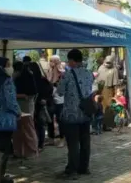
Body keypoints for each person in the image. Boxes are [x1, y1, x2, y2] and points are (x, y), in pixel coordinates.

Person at [57, 49, 94, 180]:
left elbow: (60, 92)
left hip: (71, 114)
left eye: (68, 60)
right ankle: (84, 168)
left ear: (72, 61)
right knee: (85, 142)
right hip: (85, 113)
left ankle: (72, 170)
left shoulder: (67, 75)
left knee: (73, 143)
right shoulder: (89, 73)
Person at [29, 62, 53, 152]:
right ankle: (39, 144)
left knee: (39, 125)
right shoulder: (42, 80)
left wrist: (45, 99)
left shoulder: (35, 80)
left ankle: (39, 144)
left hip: (38, 105)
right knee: (39, 125)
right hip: (38, 104)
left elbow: (50, 89)